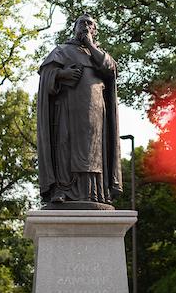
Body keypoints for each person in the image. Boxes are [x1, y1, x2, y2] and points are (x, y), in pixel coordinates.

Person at [36, 14, 122, 207]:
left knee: (94, 150)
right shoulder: (62, 51)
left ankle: (94, 193)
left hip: (95, 113)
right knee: (65, 146)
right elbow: (46, 76)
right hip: (67, 109)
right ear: (73, 28)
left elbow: (110, 69)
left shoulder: (98, 54)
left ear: (94, 30)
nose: (85, 26)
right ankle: (62, 190)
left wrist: (90, 45)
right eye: (81, 23)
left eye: (89, 24)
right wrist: (62, 74)